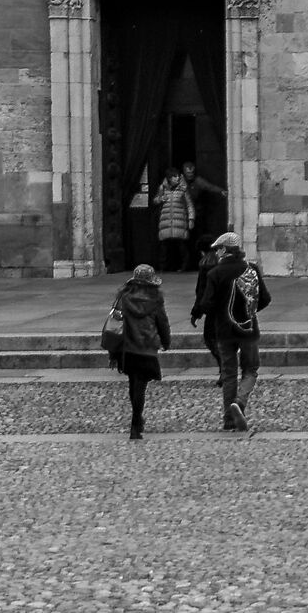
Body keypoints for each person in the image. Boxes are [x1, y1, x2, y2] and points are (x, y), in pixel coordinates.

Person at [190, 227, 274, 433]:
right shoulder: (251, 269)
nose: (216, 253)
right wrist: (249, 312)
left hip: (224, 331)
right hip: (248, 329)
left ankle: (228, 420)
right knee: (251, 370)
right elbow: (265, 298)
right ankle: (240, 401)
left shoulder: (215, 273)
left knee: (228, 375)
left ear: (226, 250)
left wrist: (217, 311)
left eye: (218, 249)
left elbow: (207, 304)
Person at [109, 262, 172, 439]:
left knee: (133, 382)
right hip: (147, 346)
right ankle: (136, 420)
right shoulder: (155, 298)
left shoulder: (124, 296)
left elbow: (115, 319)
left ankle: (136, 420)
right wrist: (166, 341)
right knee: (141, 385)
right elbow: (162, 322)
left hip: (128, 346)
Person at [153, 164, 195, 274]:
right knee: (164, 247)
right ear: (169, 178)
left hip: (179, 220)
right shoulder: (162, 188)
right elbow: (155, 200)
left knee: (181, 246)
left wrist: (191, 219)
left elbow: (189, 205)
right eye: (174, 176)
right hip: (166, 221)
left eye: (178, 176)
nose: (177, 178)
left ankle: (184, 266)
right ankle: (163, 267)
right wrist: (161, 199)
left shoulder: (183, 190)